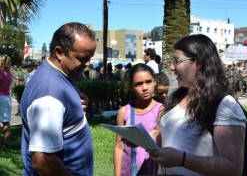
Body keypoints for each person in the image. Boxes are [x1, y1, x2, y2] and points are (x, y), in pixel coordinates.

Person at [147, 34, 246, 176]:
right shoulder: (175, 97)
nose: (171, 67)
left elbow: (233, 168)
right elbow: (166, 136)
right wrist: (144, 138)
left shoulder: (224, 105)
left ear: (198, 63)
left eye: (177, 61)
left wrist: (182, 159)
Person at [20, 22, 96, 175]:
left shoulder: (61, 74)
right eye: (82, 58)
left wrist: (76, 101)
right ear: (59, 52)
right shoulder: (49, 93)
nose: (88, 63)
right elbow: (42, 161)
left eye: (90, 57)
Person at [114, 63, 164, 176]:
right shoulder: (124, 112)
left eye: (148, 82)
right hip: (129, 170)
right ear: (131, 87)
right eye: (138, 84)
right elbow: (119, 146)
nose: (145, 88)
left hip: (153, 170)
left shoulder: (161, 111)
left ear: (155, 81)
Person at [0, 55, 13, 145]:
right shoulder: (9, 73)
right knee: (6, 121)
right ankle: (6, 143)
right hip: (6, 98)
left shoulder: (0, 73)